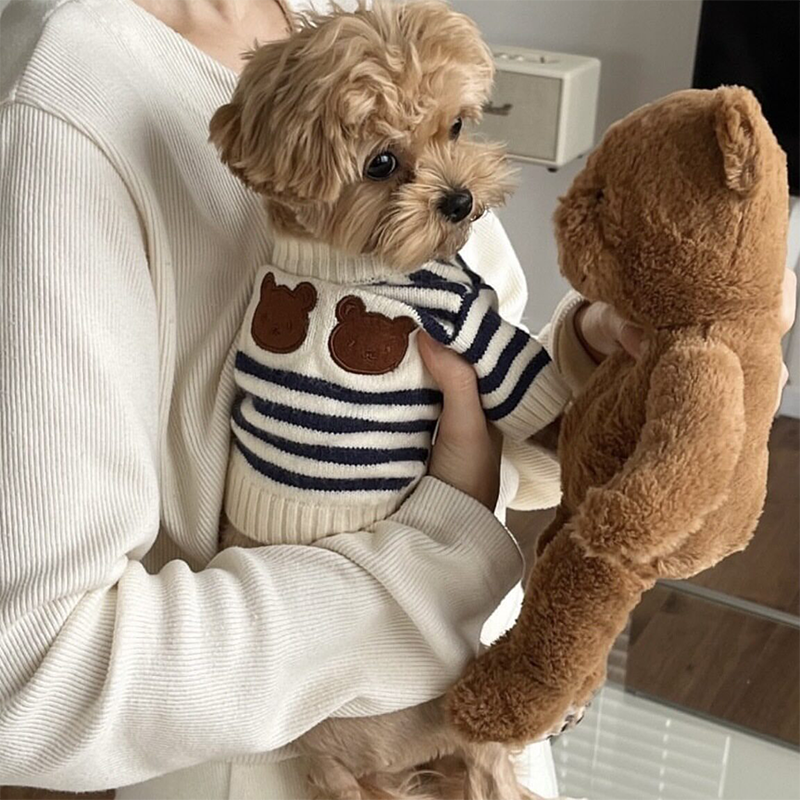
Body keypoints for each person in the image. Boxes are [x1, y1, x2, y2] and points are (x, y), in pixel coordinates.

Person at [0, 1, 794, 799]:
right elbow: (33, 679)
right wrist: (445, 546)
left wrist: (603, 354)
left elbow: (493, 423)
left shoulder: (353, 22)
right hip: (278, 770)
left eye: (458, 129)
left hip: (481, 717)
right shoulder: (60, 101)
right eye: (385, 163)